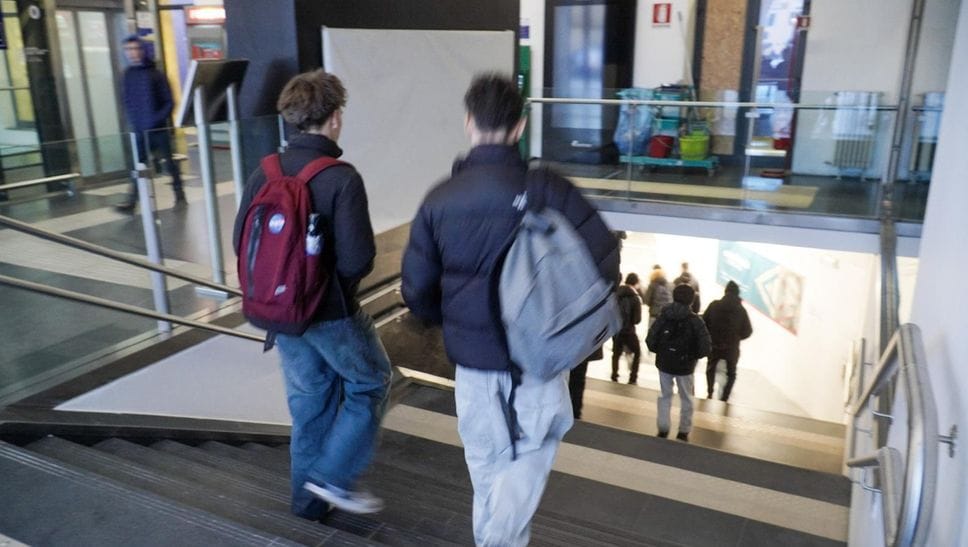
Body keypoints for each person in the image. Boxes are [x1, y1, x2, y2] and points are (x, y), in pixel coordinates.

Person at [401, 73, 619, 547]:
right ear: (520, 126)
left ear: (468, 122)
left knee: (487, 468)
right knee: (535, 447)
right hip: (538, 359)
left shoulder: (440, 200)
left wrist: (453, 315)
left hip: (474, 366)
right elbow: (606, 260)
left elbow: (415, 291)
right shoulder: (550, 190)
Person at [232, 70, 392, 519]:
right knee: (370, 382)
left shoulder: (262, 173)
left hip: (279, 315)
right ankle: (332, 478)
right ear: (335, 118)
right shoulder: (341, 178)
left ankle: (306, 505)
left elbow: (240, 242)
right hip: (330, 314)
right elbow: (357, 260)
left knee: (309, 405)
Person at [117, 35, 185, 211]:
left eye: (135, 49)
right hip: (139, 129)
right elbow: (127, 100)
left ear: (142, 50)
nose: (132, 53)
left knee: (169, 163)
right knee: (138, 165)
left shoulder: (156, 74)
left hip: (158, 129)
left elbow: (169, 101)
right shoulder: (128, 75)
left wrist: (156, 119)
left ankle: (180, 195)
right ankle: (132, 201)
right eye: (128, 50)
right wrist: (134, 121)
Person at [646, 284, 711, 442]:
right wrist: (692, 356)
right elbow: (705, 347)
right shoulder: (696, 321)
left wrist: (660, 351)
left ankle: (663, 428)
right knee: (686, 398)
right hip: (685, 367)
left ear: (674, 296)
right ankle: (683, 430)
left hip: (664, 364)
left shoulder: (664, 315)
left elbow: (650, 339)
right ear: (691, 300)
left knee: (664, 396)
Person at [702, 280, 753, 402]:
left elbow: (703, 323)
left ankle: (710, 392)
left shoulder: (714, 305)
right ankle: (724, 397)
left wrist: (709, 335)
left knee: (710, 368)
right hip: (732, 347)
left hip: (714, 344)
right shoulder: (741, 310)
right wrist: (737, 338)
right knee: (731, 373)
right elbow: (748, 331)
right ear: (737, 293)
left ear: (725, 291)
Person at [611, 272, 643, 384]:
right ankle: (633, 377)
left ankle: (614, 374)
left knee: (616, 353)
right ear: (636, 283)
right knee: (637, 352)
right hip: (629, 331)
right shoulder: (635, 298)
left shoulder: (616, 294)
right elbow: (637, 320)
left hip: (616, 330)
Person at [568, 348, 602, 420]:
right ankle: (576, 410)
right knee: (578, 379)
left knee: (575, 379)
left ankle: (574, 409)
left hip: (571, 347)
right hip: (583, 348)